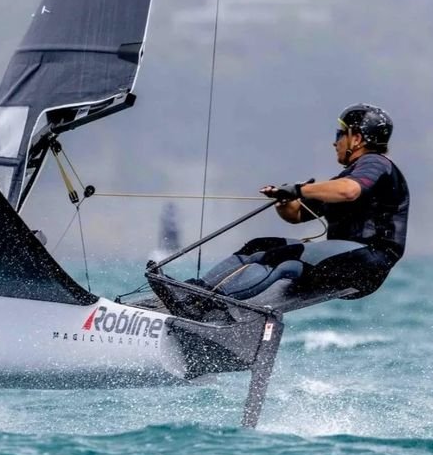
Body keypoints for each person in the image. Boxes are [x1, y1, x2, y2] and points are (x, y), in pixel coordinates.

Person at [156, 103, 409, 320]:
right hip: (346, 262)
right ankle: (196, 292)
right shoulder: (345, 178)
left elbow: (350, 191)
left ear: (357, 138)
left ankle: (205, 304)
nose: (335, 142)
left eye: (339, 134)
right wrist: (284, 200)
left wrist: (299, 188)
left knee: (283, 257)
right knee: (260, 246)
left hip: (367, 262)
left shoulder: (375, 163)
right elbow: (297, 216)